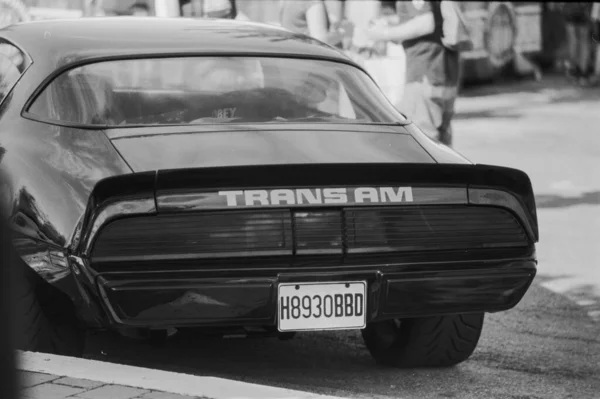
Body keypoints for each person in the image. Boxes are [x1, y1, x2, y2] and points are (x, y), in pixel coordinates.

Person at [360, 1, 463, 147]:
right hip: (445, 74)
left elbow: (426, 22)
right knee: (443, 147)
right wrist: (391, 21)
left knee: (425, 145)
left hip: (425, 73)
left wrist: (380, 34)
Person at [279, 0, 344, 47]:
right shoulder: (313, 2)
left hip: (290, 57)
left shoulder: (286, 2)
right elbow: (320, 43)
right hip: (309, 60)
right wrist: (342, 34)